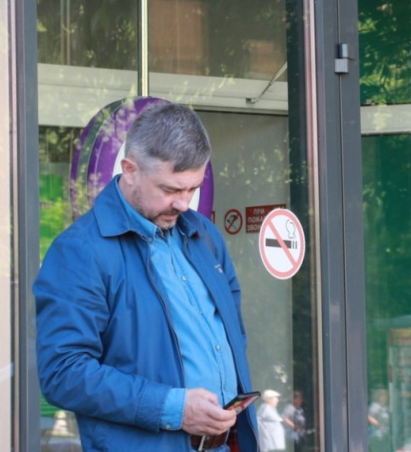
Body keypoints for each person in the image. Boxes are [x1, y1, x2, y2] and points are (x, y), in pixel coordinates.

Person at [34, 102, 259, 452]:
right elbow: (63, 373)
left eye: (192, 189)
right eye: (170, 190)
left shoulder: (206, 235)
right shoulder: (80, 251)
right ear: (130, 170)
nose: (184, 203)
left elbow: (233, 337)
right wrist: (173, 408)